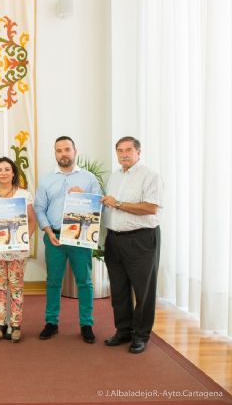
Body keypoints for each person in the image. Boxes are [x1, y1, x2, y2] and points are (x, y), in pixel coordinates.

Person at [33, 136, 101, 343]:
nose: (63, 153)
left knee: (85, 281)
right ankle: (51, 322)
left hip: (80, 237)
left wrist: (85, 197)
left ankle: (86, 324)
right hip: (54, 236)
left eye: (67, 149)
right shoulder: (46, 180)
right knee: (53, 281)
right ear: (55, 153)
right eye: (59, 150)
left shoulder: (89, 179)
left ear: (75, 151)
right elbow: (39, 208)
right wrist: (48, 231)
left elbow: (99, 205)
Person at [101, 136, 162, 354]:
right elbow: (107, 204)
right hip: (114, 239)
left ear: (138, 152)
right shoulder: (114, 176)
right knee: (118, 289)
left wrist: (118, 203)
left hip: (141, 239)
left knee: (143, 290)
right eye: (120, 150)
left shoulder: (150, 176)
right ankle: (123, 330)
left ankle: (141, 335)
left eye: (128, 150)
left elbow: (151, 208)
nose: (124, 154)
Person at [0, 157, 36, 342]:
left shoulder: (23, 195)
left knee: (17, 287)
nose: (3, 172)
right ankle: (1, 324)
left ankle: (16, 325)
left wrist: (25, 240)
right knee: (0, 288)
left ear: (13, 173)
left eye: (7, 169)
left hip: (18, 250)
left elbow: (32, 220)